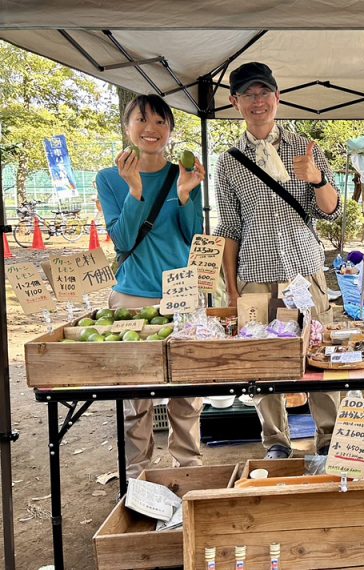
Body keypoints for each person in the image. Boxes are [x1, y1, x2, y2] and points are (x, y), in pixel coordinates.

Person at [213, 61, 342, 459]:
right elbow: (230, 230)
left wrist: (316, 178)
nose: (258, 101)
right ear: (235, 102)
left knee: (319, 354)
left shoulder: (305, 148)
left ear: (277, 97)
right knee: (262, 359)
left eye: (264, 93)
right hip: (255, 275)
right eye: (248, 94)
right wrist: (232, 291)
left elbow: (332, 210)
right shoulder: (229, 161)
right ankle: (276, 442)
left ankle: (330, 439)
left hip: (304, 271)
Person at [96, 94, 205, 479]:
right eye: (141, 120)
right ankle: (137, 472)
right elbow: (123, 240)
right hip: (132, 294)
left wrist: (187, 195)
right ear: (128, 128)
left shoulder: (186, 172)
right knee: (134, 393)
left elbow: (194, 239)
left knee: (186, 391)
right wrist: (134, 190)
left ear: (171, 131)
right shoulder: (110, 178)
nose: (151, 129)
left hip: (181, 293)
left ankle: (188, 467)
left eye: (160, 122)